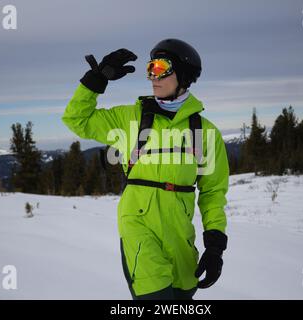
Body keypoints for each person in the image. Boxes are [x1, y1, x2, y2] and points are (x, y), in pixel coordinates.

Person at [62, 38, 229, 300]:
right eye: (150, 68)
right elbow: (76, 118)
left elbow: (213, 193)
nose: (153, 76)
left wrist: (215, 245)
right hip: (138, 226)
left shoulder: (204, 132)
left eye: (161, 68)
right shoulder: (131, 118)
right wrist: (97, 80)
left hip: (181, 237)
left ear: (183, 75)